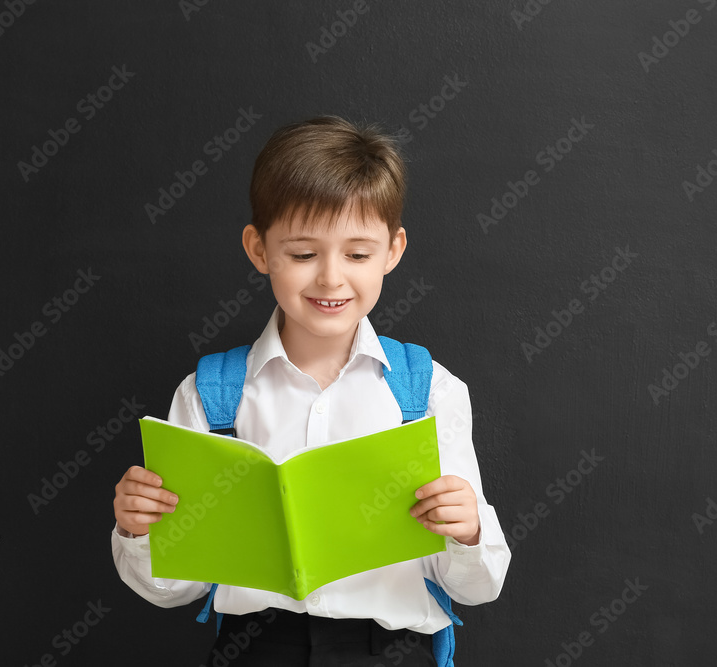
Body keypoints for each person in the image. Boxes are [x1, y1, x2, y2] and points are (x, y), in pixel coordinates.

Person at [111, 115, 511, 666]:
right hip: (256, 649)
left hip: (391, 649)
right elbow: (174, 588)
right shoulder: (210, 394)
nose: (330, 278)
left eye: (358, 253)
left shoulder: (428, 391)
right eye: (303, 255)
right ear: (259, 250)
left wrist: (468, 532)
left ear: (393, 251)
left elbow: (478, 586)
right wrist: (138, 531)